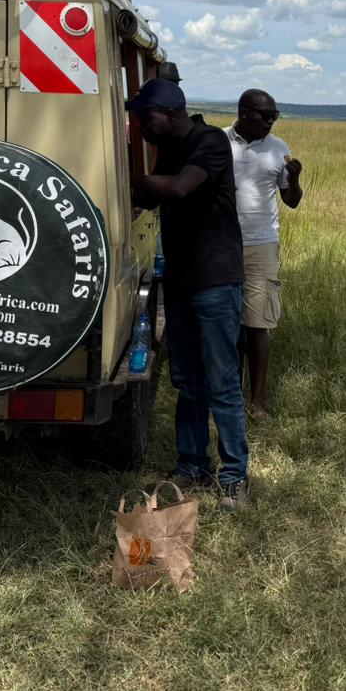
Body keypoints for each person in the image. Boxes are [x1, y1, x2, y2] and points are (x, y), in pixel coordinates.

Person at [125, 78, 250, 511]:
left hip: (216, 280)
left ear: (172, 113)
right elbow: (156, 195)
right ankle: (192, 464)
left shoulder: (210, 142)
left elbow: (176, 188)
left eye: (146, 118)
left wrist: (120, 175)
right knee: (188, 381)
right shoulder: (170, 148)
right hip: (180, 281)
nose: (140, 126)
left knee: (222, 381)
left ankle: (234, 476)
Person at [226, 89, 303, 421]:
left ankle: (256, 402)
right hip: (223, 243)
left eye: (275, 115)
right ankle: (228, 393)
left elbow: (292, 201)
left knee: (258, 323)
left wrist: (295, 179)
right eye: (265, 116)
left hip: (261, 245)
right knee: (226, 324)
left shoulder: (279, 149)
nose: (271, 122)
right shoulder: (219, 142)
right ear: (244, 113)